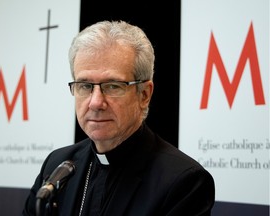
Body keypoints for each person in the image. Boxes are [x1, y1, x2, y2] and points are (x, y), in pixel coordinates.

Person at [22, 20, 215, 216]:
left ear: (144, 95)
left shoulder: (182, 182)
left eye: (113, 86)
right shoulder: (57, 165)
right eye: (85, 86)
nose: (95, 102)